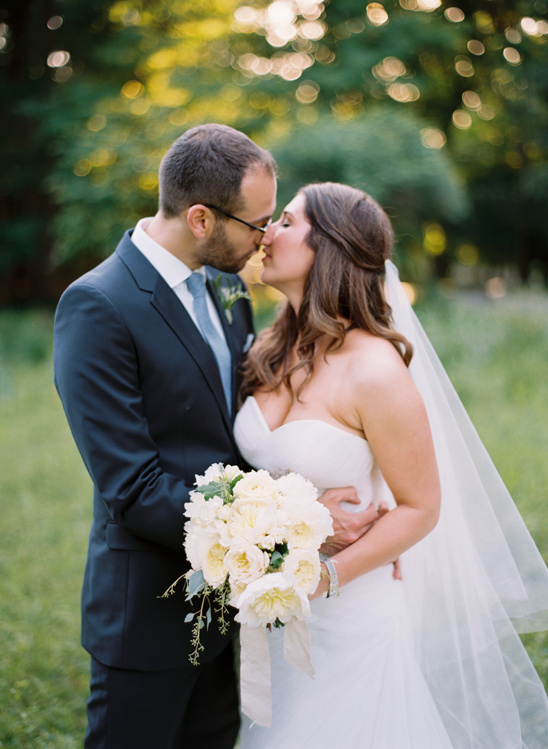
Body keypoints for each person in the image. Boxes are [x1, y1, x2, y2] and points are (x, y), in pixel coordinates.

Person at [53, 125, 378, 749]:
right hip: (148, 611)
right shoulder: (98, 306)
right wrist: (294, 527)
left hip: (232, 607)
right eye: (257, 224)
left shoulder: (227, 290)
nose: (266, 239)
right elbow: (134, 486)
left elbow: (238, 438)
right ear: (201, 218)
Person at [233, 182, 548, 748]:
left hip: (346, 616)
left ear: (328, 247)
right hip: (269, 611)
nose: (267, 233)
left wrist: (322, 577)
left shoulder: (374, 370)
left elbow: (422, 507)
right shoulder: (268, 347)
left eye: (285, 220)